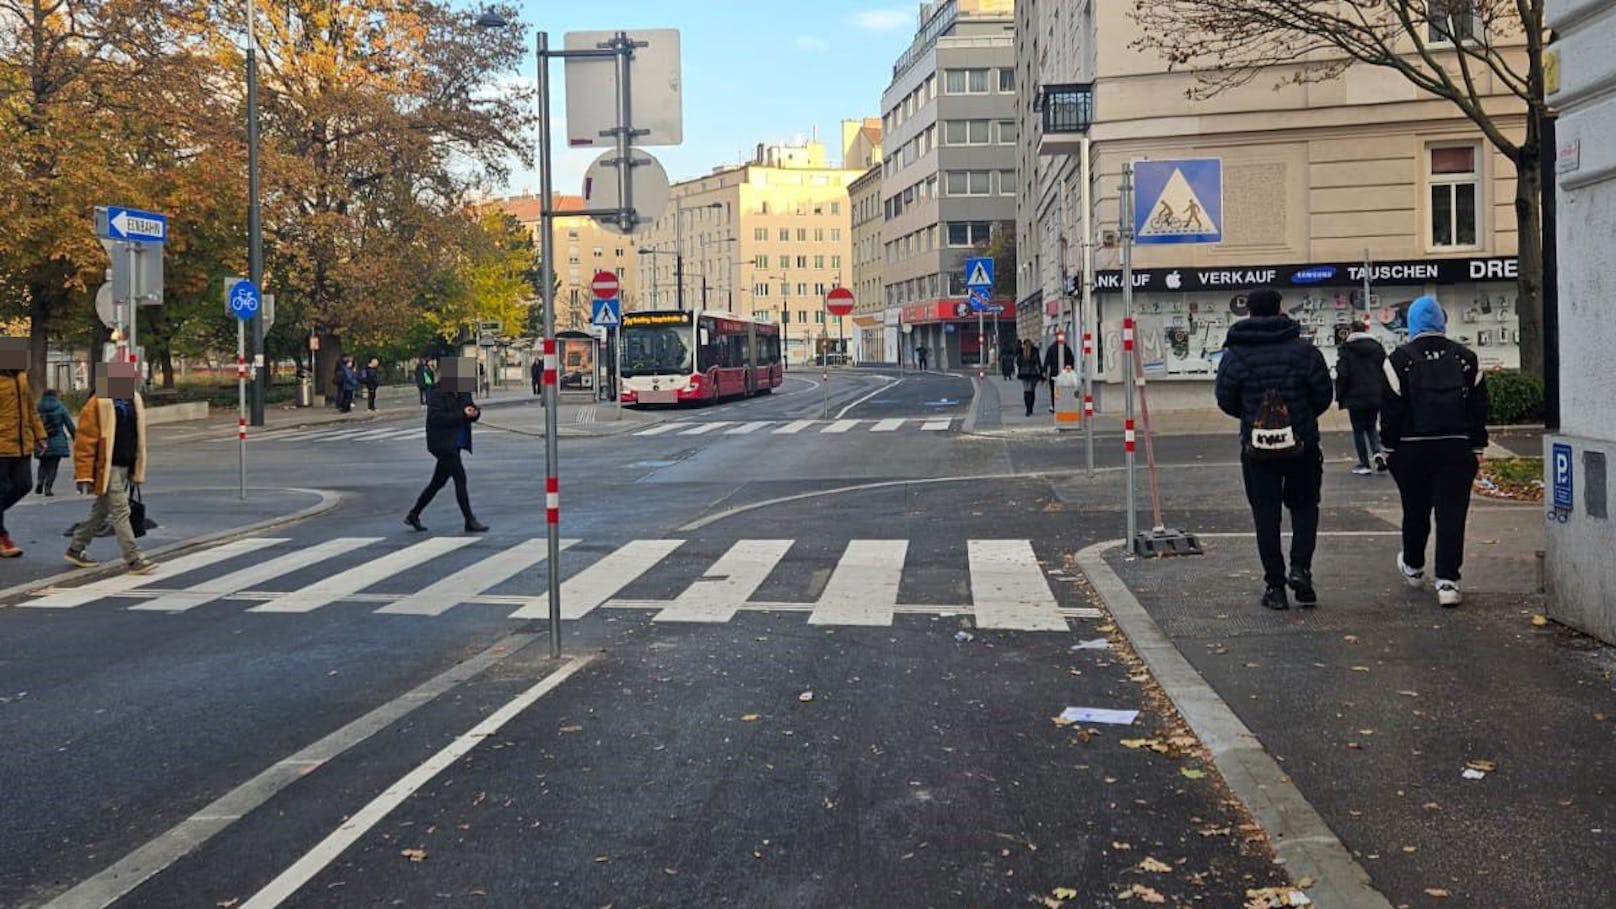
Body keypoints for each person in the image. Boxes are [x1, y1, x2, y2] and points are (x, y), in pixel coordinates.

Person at [1214, 287, 1333, 611]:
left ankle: (1275, 587)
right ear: (1281, 309)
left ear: (1248, 312)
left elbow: (1225, 399)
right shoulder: (1304, 351)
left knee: (1266, 515)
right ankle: (1301, 570)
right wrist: (1300, 419)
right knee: (1305, 507)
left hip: (1257, 448)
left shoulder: (1235, 354)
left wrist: (1255, 417)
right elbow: (1323, 394)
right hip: (1302, 444)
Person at [1380, 295, 1489, 608]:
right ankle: (1448, 582)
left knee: (1415, 510)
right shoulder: (1467, 358)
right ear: (1443, 322)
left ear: (1411, 324)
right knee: (1452, 514)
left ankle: (1413, 565)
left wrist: (1388, 448)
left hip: (1411, 449)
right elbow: (1479, 407)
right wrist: (1477, 445)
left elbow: (1390, 410)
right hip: (1456, 447)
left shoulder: (1398, 360)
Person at [64, 361, 157, 573]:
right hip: (107, 466)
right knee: (120, 510)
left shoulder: (134, 400)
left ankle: (75, 548)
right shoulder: (97, 403)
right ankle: (134, 558)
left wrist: (136, 464)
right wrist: (84, 475)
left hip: (125, 463)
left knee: (101, 510)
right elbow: (85, 442)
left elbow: (136, 435)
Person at [405, 357, 488, 534]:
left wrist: (474, 413)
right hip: (441, 442)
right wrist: (463, 414)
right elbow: (437, 418)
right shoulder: (437, 393)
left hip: (456, 442)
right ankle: (469, 520)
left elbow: (470, 410)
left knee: (438, 482)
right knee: (460, 477)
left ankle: (413, 514)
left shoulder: (464, 392)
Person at [0, 338, 47, 557]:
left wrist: (40, 436)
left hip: (21, 445)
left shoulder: (21, 378)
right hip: (1, 446)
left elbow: (31, 410)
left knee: (23, 485)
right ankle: (3, 538)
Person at [1334, 321, 1388, 475]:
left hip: (1355, 395)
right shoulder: (1377, 347)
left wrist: (1340, 395)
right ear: (1366, 329)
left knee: (1358, 430)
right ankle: (1377, 453)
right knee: (1371, 426)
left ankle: (1364, 464)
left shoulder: (1346, 349)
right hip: (1375, 393)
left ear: (1351, 330)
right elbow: (1384, 369)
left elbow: (1343, 374)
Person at [35, 387, 75, 497]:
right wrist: (75, 438)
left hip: (42, 440)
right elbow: (69, 425)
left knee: (42, 463)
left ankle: (40, 481)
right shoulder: (61, 408)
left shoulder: (38, 407)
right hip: (57, 440)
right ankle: (48, 488)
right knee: (53, 466)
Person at [1043, 335, 1077, 414]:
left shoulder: (1051, 348)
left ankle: (1055, 405)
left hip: (1054, 373)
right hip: (1065, 373)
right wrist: (1070, 369)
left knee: (1054, 390)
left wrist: (1044, 371)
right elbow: (1071, 360)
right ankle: (1063, 405)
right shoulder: (1066, 348)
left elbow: (1047, 360)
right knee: (1064, 389)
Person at [1015, 339, 1044, 417]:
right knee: (1032, 391)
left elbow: (1018, 363)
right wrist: (1041, 374)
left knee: (1026, 391)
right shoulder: (1035, 351)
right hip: (1033, 373)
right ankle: (1031, 408)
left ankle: (1028, 409)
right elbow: (1038, 362)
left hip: (1024, 373)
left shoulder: (1021, 352)